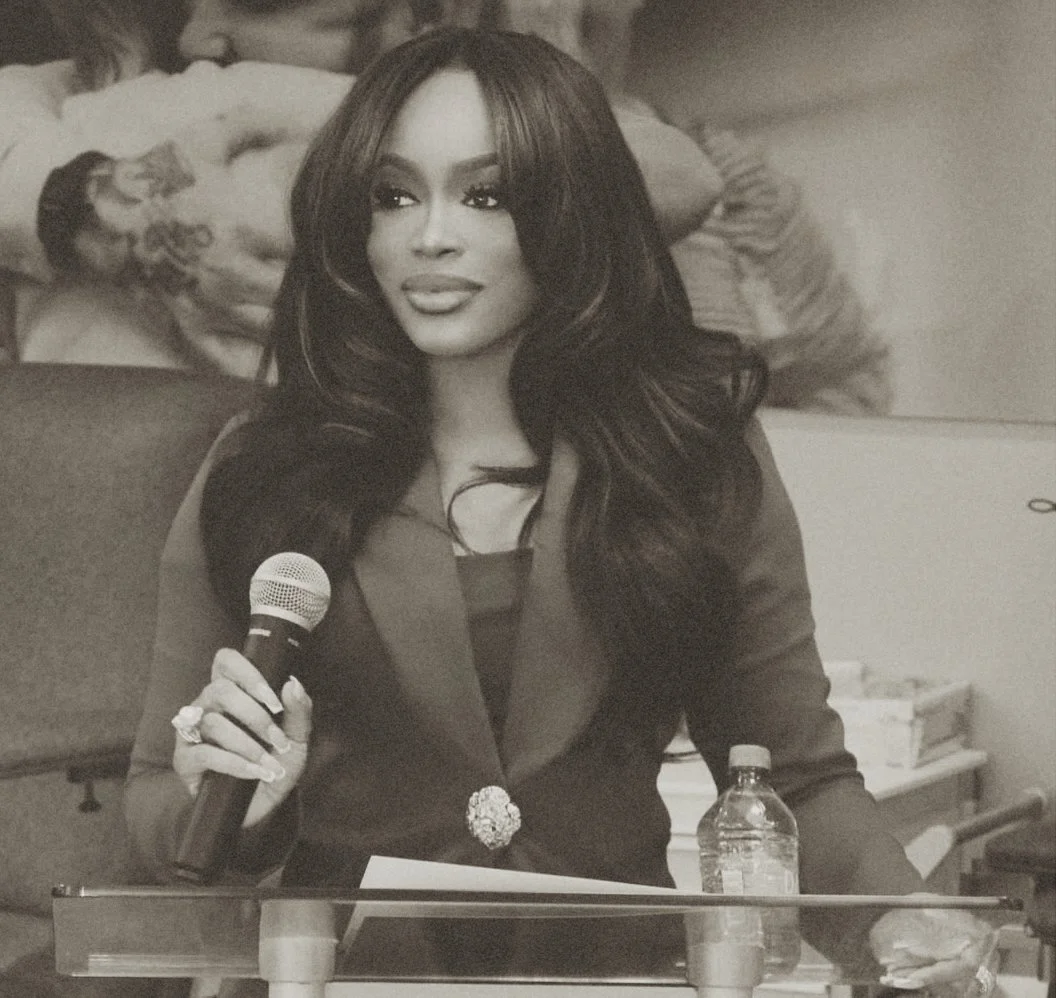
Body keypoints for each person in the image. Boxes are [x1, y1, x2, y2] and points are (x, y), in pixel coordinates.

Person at [123, 26, 992, 989]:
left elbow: (797, 777)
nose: (430, 235)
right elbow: (157, 795)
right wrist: (236, 808)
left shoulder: (690, 450)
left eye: (486, 195)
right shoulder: (265, 463)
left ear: (571, 213)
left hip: (613, 978)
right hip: (348, 980)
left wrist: (907, 922)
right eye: (394, 195)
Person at [0, 0, 720, 378]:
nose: (197, 39)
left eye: (266, 1)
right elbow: (676, 177)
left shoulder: (113, 110)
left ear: (425, 18)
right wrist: (83, 202)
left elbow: (679, 176)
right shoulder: (81, 101)